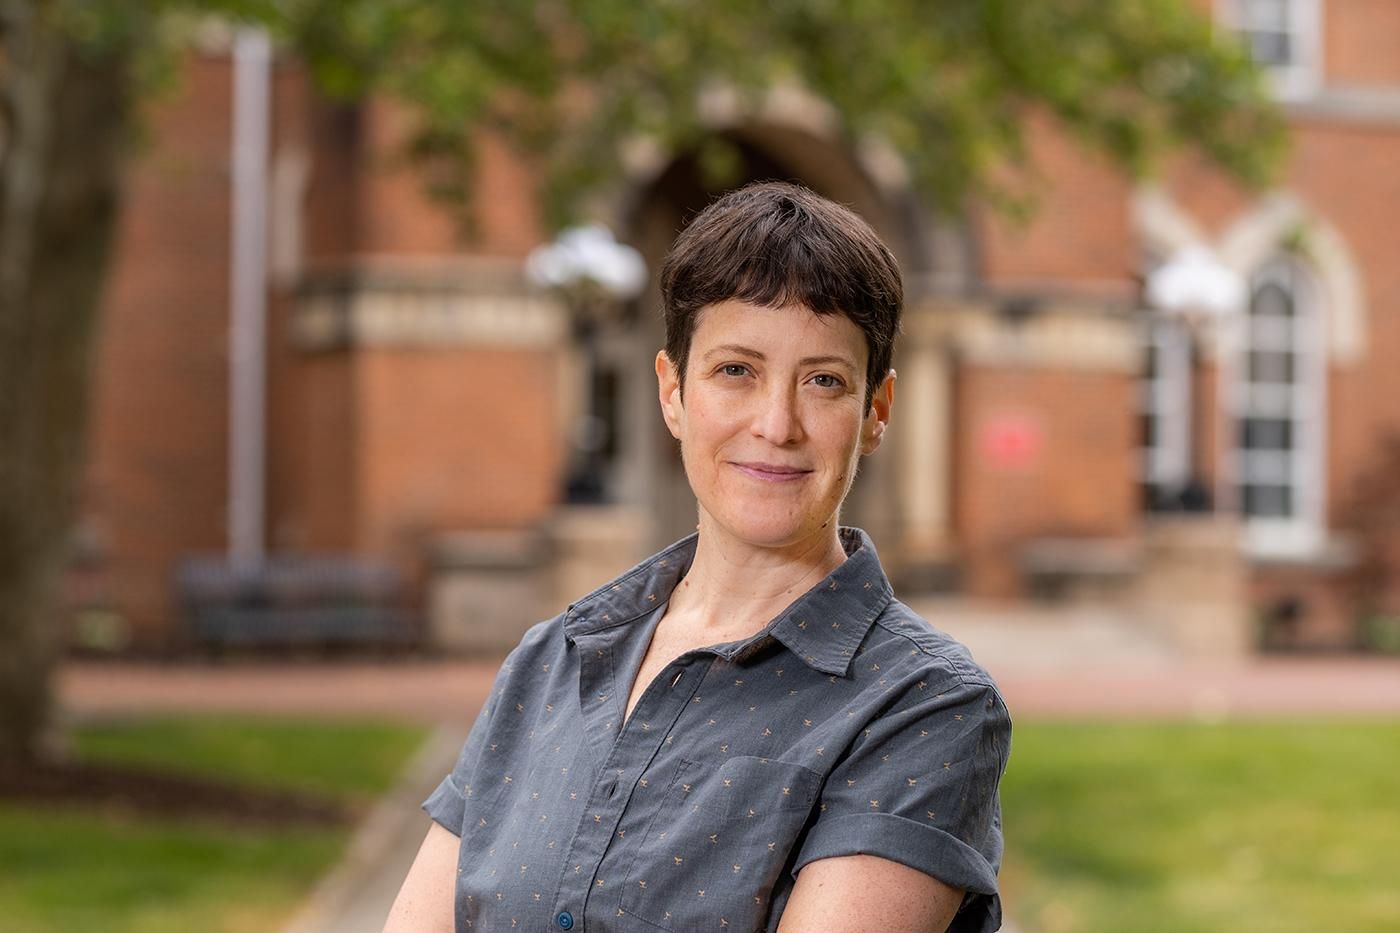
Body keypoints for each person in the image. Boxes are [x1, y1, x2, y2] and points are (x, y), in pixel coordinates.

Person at [384, 181, 1011, 933]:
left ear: (875, 412)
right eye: (736, 370)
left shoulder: (924, 706)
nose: (776, 424)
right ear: (673, 391)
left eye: (823, 381)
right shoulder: (552, 660)